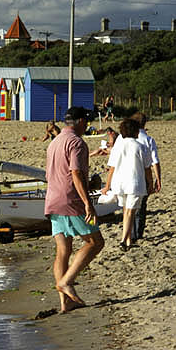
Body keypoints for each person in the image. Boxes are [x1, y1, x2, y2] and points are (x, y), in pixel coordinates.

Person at [44, 106, 104, 313]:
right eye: (86, 121)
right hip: (70, 200)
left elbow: (59, 173)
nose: (87, 124)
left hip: (52, 199)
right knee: (95, 242)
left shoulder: (54, 142)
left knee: (63, 251)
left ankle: (65, 302)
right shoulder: (77, 142)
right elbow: (75, 173)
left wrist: (89, 185)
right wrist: (87, 201)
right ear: (79, 122)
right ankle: (66, 282)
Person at [101, 118, 153, 251]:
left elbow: (111, 168)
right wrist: (150, 184)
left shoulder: (118, 147)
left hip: (119, 183)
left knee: (125, 211)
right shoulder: (141, 147)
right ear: (135, 131)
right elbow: (147, 168)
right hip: (134, 183)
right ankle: (124, 240)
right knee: (130, 211)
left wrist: (107, 186)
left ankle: (128, 240)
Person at [121, 112, 161, 242]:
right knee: (140, 207)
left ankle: (129, 235)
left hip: (125, 176)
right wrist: (157, 179)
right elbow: (154, 162)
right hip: (141, 177)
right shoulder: (148, 140)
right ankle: (137, 234)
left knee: (127, 208)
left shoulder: (123, 139)